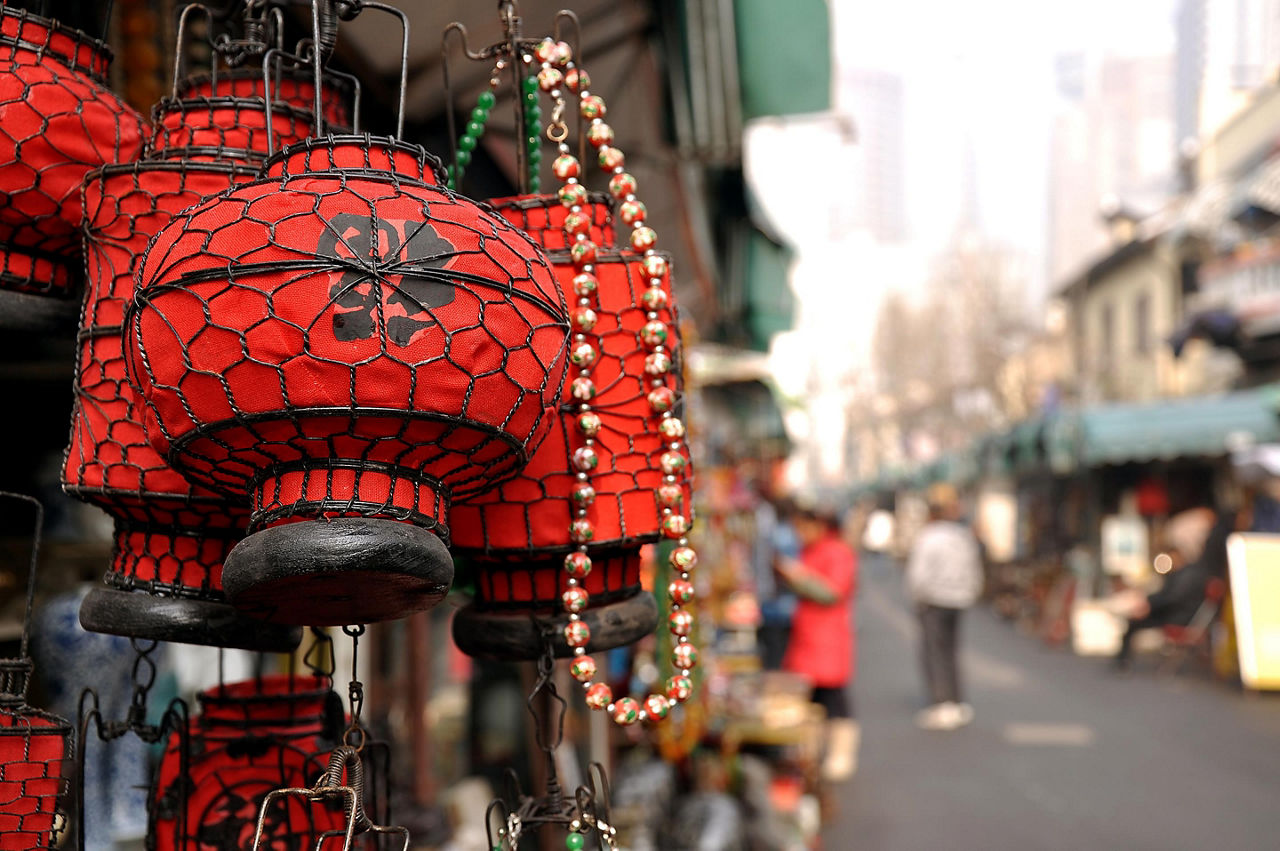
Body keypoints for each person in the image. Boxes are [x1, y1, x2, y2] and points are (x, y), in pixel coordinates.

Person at [777, 499, 859, 781]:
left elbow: (832, 592)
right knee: (809, 697)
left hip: (828, 636)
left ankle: (840, 754)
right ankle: (809, 752)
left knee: (833, 697)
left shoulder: (837, 552)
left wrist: (798, 577)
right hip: (807, 634)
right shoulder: (809, 550)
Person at [905, 485, 983, 731]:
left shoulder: (928, 536)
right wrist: (970, 593)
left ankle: (942, 703)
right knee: (951, 651)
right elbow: (974, 571)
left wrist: (917, 596)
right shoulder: (963, 537)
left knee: (934, 652)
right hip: (958, 601)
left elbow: (918, 575)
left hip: (934, 601)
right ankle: (956, 701)